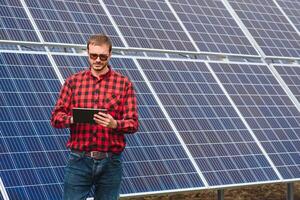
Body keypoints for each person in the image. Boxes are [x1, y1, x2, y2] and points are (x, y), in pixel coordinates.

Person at [51, 34, 139, 200]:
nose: (97, 60)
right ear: (88, 53)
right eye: (93, 55)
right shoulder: (73, 82)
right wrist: (72, 118)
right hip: (79, 160)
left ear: (110, 55)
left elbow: (133, 123)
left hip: (111, 163)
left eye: (103, 56)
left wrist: (115, 124)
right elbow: (56, 117)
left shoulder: (124, 84)